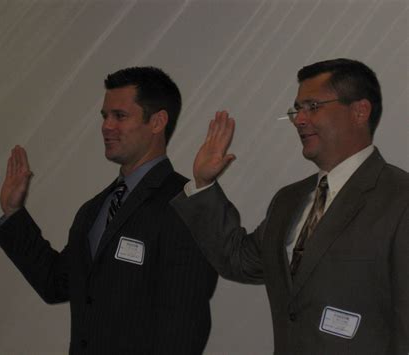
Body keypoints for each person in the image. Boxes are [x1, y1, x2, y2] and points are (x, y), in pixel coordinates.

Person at [171, 58, 409, 354]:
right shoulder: (289, 200)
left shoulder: (400, 199)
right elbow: (240, 262)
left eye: (312, 106)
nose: (299, 119)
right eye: (297, 109)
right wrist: (203, 184)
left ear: (360, 111)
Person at [0, 66, 217, 355]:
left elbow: (185, 328)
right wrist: (13, 213)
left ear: (158, 121)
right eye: (104, 116)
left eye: (120, 116)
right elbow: (56, 283)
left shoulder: (185, 205)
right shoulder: (94, 209)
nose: (106, 126)